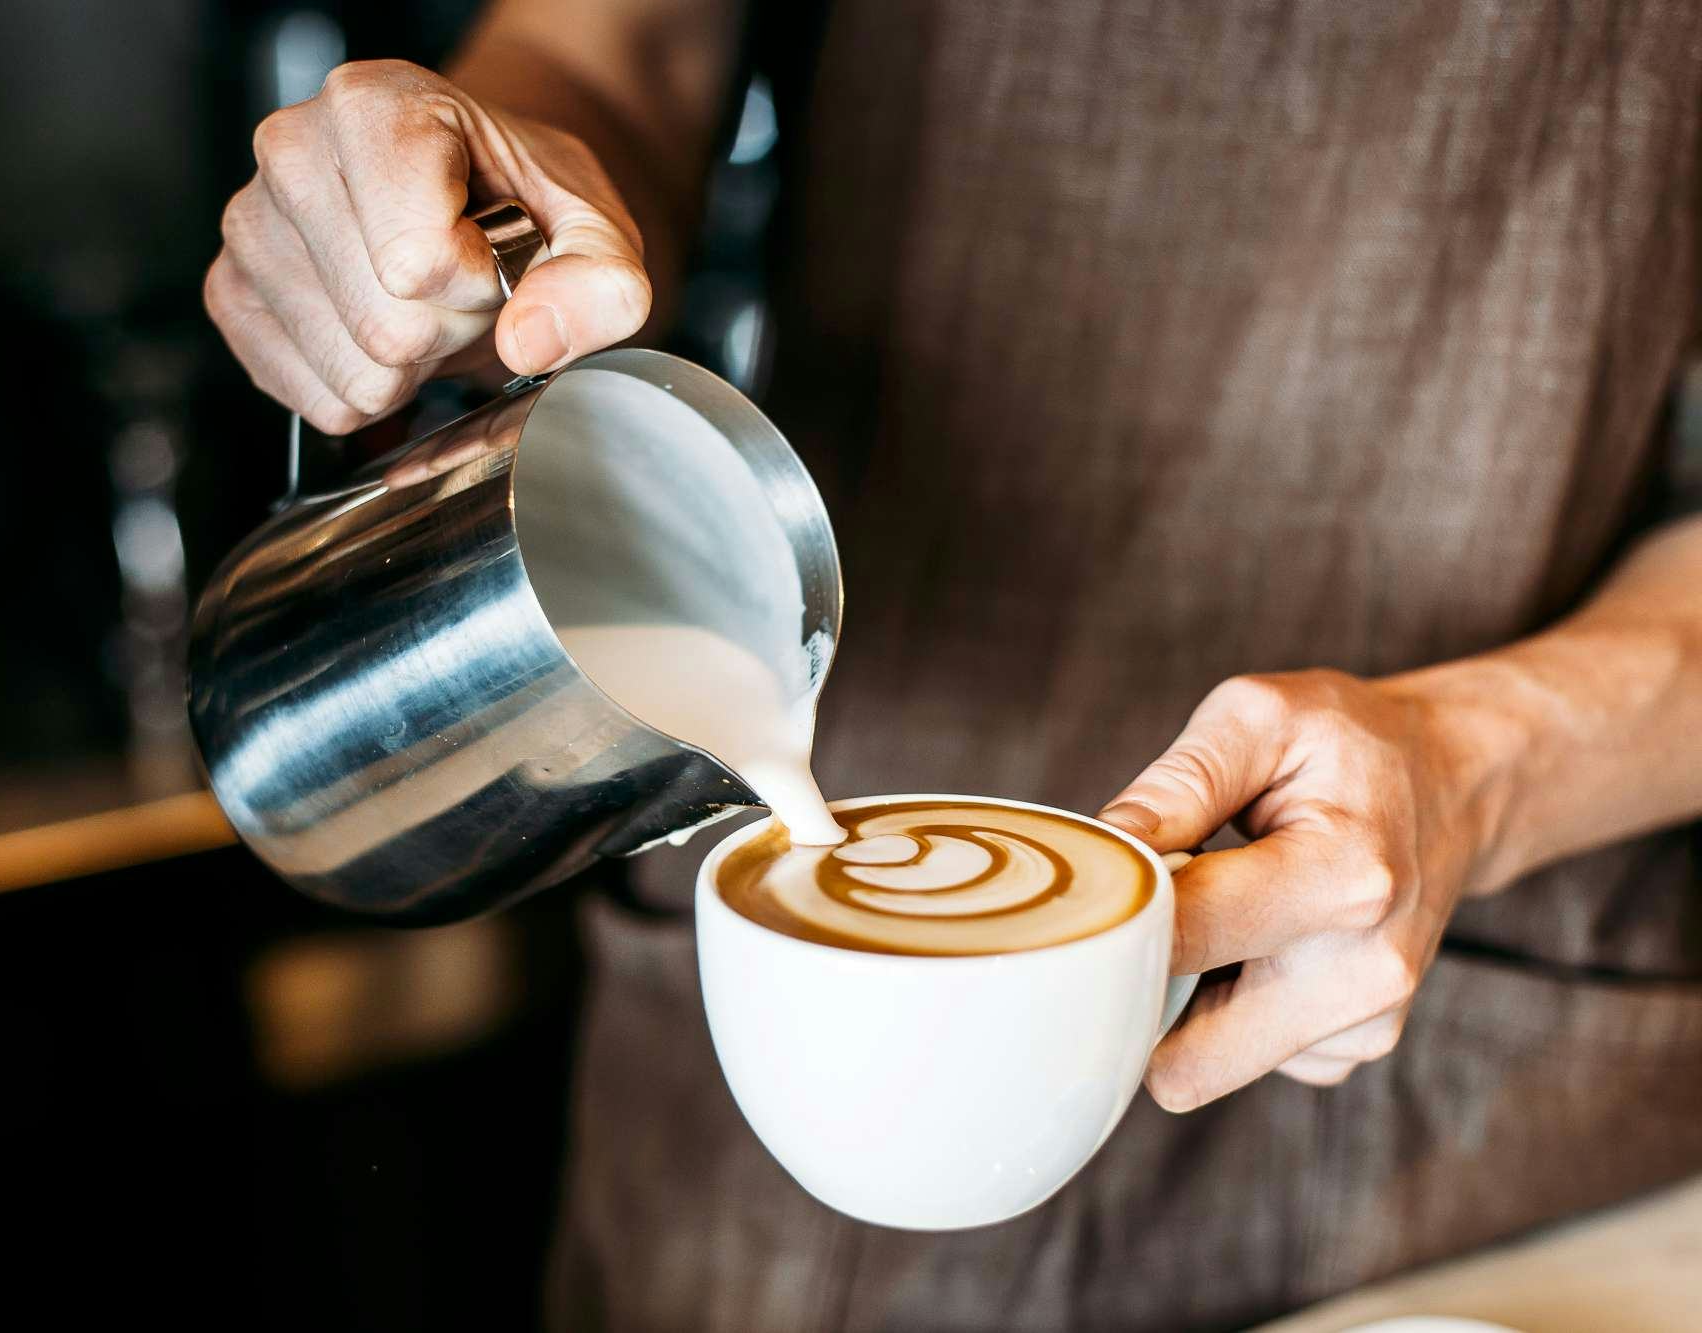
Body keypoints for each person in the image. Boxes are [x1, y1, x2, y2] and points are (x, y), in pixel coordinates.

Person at [204, 2, 1702, 1327]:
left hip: (1465, 1083)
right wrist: (475, 212)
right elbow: (630, 44)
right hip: (781, 1031)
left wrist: (1479, 763)